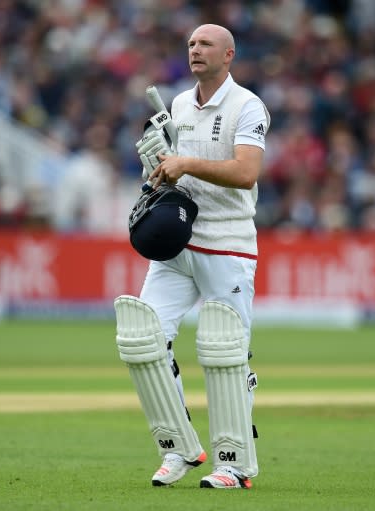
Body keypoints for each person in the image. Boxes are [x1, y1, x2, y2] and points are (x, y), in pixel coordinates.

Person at [114, 24, 270, 490]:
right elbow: (172, 172)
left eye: (205, 44)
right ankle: (179, 448)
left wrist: (185, 162)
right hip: (178, 242)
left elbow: (245, 173)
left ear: (229, 54)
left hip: (227, 244)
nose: (195, 50)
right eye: (190, 45)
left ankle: (235, 464)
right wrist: (158, 164)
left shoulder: (248, 106)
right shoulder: (179, 105)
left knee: (225, 351)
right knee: (141, 337)